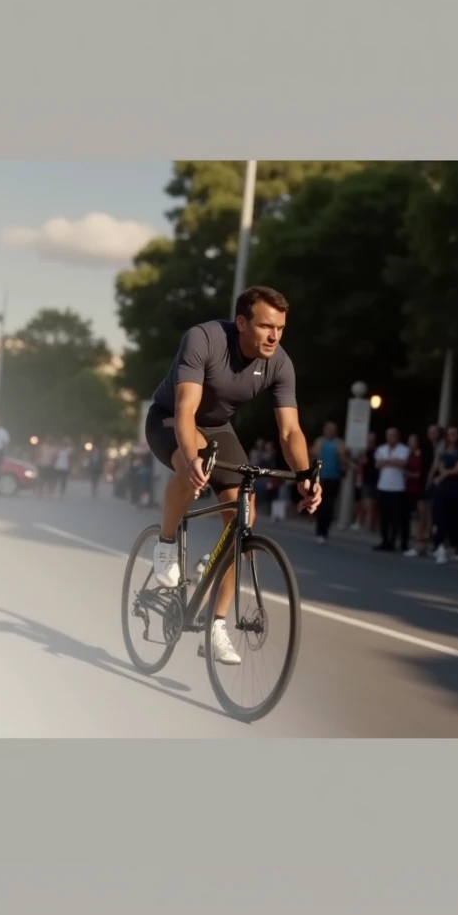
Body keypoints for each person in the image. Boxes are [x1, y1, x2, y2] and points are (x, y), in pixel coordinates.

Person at [144, 285, 322, 666]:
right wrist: (192, 458)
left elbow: (290, 431)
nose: (274, 335)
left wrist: (305, 474)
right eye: (264, 326)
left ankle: (215, 627)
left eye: (280, 328)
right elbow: (186, 408)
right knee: (187, 470)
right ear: (241, 322)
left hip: (219, 429)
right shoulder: (204, 338)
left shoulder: (279, 363)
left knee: (243, 514)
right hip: (170, 419)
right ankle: (165, 542)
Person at [428, 423, 458, 564]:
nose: (452, 436)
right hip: (443, 488)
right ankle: (439, 545)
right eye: (450, 433)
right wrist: (436, 477)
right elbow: (439, 464)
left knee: (456, 518)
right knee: (439, 516)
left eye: (455, 433)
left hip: (457, 487)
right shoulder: (444, 448)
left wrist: (444, 474)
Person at [310, 421, 349, 544]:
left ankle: (324, 531)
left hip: (333, 477)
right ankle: (319, 530)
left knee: (329, 504)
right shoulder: (320, 441)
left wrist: (344, 462)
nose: (330, 431)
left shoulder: (339, 443)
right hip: (321, 477)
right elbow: (312, 454)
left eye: (333, 429)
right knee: (320, 503)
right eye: (328, 429)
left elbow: (343, 459)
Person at [373, 427, 411, 553]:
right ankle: (384, 540)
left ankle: (393, 541)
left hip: (397, 487)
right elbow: (378, 464)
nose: (390, 437)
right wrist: (392, 461)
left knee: (395, 517)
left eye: (393, 435)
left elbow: (403, 462)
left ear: (398, 436)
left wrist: (387, 461)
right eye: (388, 435)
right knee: (384, 516)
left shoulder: (404, 449)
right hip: (383, 486)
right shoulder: (381, 449)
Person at [402, 433, 425, 557]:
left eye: (413, 441)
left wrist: (407, 473)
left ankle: (418, 541)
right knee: (409, 515)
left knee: (419, 515)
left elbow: (418, 474)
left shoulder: (421, 455)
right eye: (409, 441)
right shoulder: (407, 455)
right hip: (407, 488)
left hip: (418, 488)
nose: (411, 444)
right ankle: (410, 540)